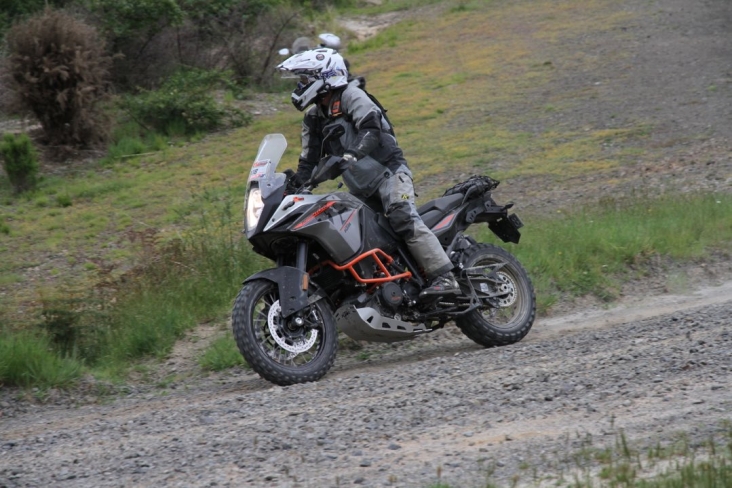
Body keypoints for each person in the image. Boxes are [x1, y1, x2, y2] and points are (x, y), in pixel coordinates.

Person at [276, 48, 459, 297]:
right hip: (360, 188)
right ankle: (380, 289)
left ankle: (445, 276)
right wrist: (294, 183)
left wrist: (351, 154)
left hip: (389, 174)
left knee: (402, 216)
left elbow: (371, 129)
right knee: (348, 231)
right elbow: (309, 160)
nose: (301, 85)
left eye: (305, 79)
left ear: (325, 76)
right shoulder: (314, 117)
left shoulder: (352, 95)